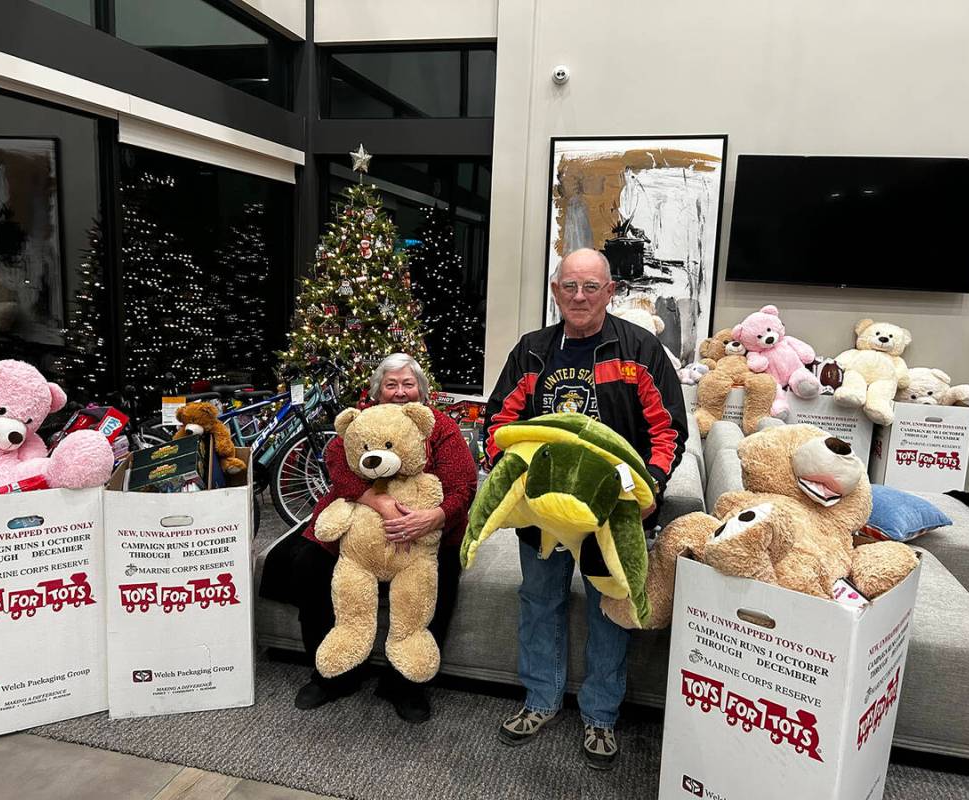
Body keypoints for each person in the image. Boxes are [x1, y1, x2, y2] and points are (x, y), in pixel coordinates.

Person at [484, 247, 687, 770]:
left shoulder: (639, 350)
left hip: (615, 513)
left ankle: (600, 715)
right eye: (569, 286)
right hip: (543, 513)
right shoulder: (531, 352)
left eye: (590, 287)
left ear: (609, 291)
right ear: (555, 291)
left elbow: (668, 431)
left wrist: (651, 491)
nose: (579, 296)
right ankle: (540, 700)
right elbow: (497, 426)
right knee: (540, 601)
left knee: (610, 612)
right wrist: (516, 485)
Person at [290, 353, 478, 723]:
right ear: (377, 391)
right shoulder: (362, 421)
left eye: (408, 384)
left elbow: (464, 484)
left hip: (426, 535)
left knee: (439, 581)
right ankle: (333, 675)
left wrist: (434, 517)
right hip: (357, 530)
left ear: (422, 392)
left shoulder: (438, 427)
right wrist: (378, 501)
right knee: (309, 565)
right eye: (391, 385)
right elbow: (337, 463)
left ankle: (406, 685)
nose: (400, 392)